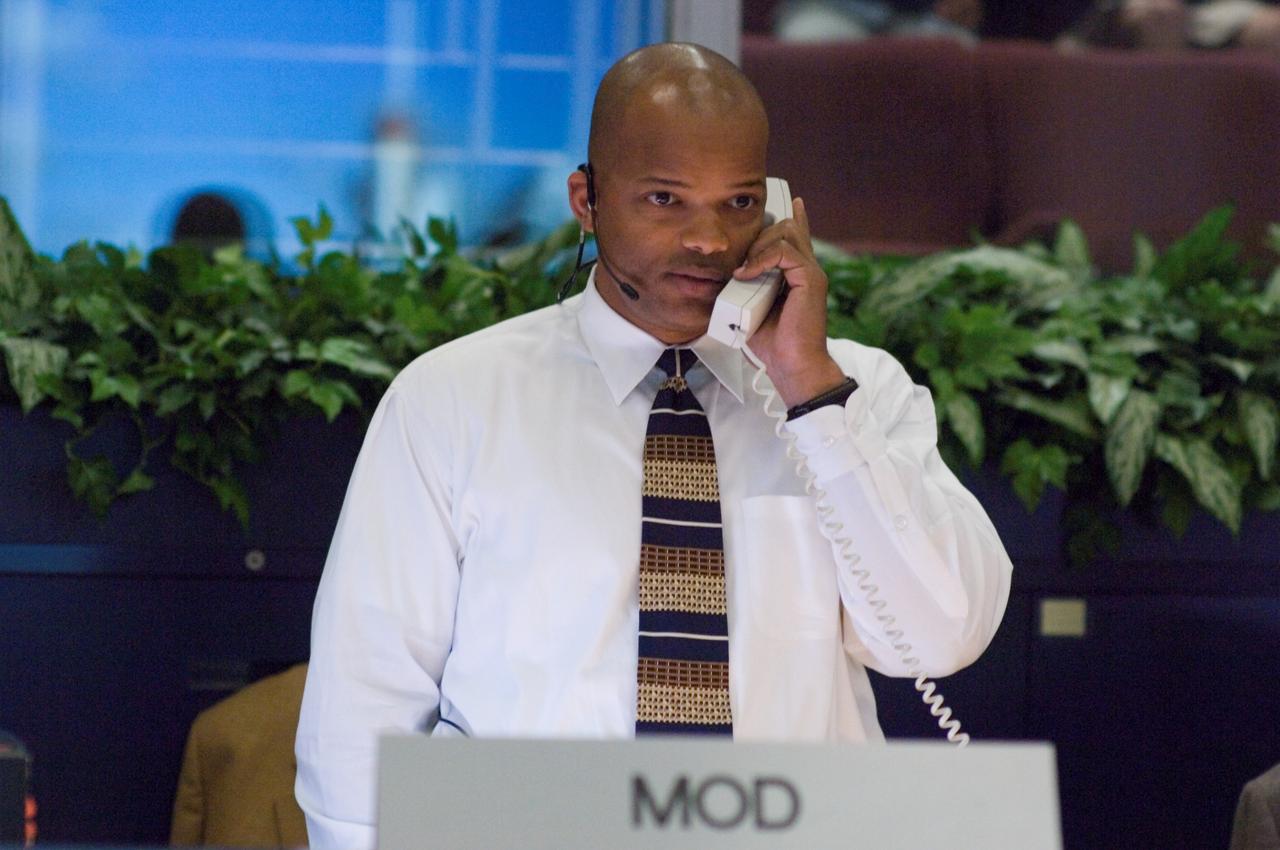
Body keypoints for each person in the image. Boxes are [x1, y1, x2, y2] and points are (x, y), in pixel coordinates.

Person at [294, 41, 1013, 850]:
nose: (709, 240)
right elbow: (364, 701)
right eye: (665, 199)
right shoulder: (453, 399)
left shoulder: (855, 392)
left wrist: (812, 396)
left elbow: (943, 637)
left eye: (740, 203)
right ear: (587, 200)